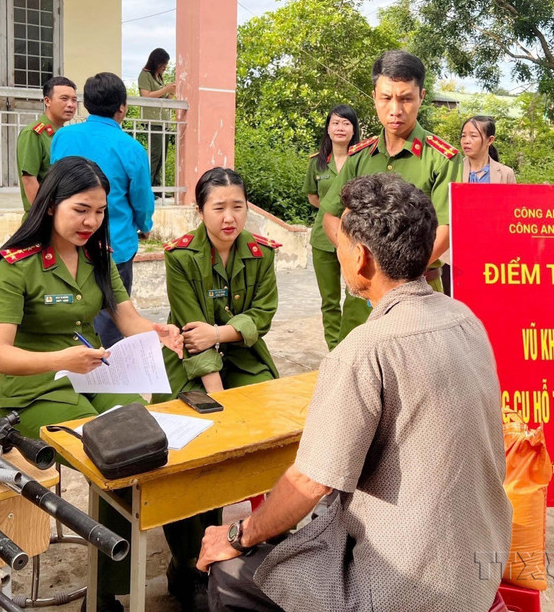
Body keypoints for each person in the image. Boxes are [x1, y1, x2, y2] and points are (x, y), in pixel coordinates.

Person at [198, 174, 512, 612]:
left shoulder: (364, 351)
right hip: (481, 562)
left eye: (341, 242)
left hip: (401, 587)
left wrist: (237, 534)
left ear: (361, 258)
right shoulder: (463, 317)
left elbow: (311, 482)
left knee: (229, 574)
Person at [0, 157, 182, 612]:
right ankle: (106, 588)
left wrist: (159, 331)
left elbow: (127, 319)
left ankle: (108, 582)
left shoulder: (98, 257)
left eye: (99, 211)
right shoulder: (17, 264)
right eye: (80, 209)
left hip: (93, 372)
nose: (91, 221)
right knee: (108, 448)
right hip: (34, 387)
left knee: (141, 437)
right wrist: (61, 359)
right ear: (50, 205)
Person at [156, 167, 279, 611]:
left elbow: (262, 314)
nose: (230, 217)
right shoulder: (181, 256)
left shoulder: (262, 253)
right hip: (192, 365)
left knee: (270, 430)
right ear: (200, 210)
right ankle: (188, 563)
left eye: (238, 206)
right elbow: (191, 335)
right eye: (219, 207)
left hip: (243, 357)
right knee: (194, 447)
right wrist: (218, 397)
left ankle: (273, 537)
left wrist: (221, 333)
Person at [320, 50, 462, 342]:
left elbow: (446, 229)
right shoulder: (359, 157)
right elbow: (331, 218)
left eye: (405, 98)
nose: (395, 109)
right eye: (386, 98)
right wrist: (358, 260)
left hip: (418, 297)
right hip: (363, 299)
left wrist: (396, 273)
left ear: (421, 96)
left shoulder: (443, 159)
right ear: (374, 96)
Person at [50, 72, 155, 349]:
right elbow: (142, 201)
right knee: (112, 321)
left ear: (87, 105)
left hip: (66, 246)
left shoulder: (62, 137)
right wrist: (144, 226)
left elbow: (54, 184)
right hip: (114, 247)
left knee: (68, 318)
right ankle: (106, 376)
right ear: (122, 107)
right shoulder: (131, 148)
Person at [303, 105, 361, 350]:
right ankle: (334, 349)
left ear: (353, 129)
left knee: (356, 296)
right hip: (323, 239)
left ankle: (352, 347)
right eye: (335, 123)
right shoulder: (317, 163)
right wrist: (331, 216)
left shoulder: (362, 159)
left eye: (346, 123)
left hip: (355, 238)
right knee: (329, 300)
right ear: (328, 128)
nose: (340, 128)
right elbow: (313, 198)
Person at [441, 115, 517, 294]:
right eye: (463, 136)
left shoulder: (505, 174)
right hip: (454, 254)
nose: (466, 141)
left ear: (490, 140)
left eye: (473, 136)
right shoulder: (452, 169)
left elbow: (511, 215)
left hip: (491, 253)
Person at [16, 76, 77, 211]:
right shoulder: (33, 133)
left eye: (74, 100)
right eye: (64, 99)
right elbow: (29, 179)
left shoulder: (64, 134)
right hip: (44, 217)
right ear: (47, 101)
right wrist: (43, 214)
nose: (70, 105)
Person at [138, 48, 177, 189]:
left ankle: (157, 187)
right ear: (156, 62)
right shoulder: (145, 75)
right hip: (152, 121)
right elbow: (146, 95)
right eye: (163, 64)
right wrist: (166, 89)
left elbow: (164, 99)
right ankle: (148, 188)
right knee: (155, 155)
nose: (165, 67)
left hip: (163, 122)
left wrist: (171, 93)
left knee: (162, 156)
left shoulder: (159, 77)